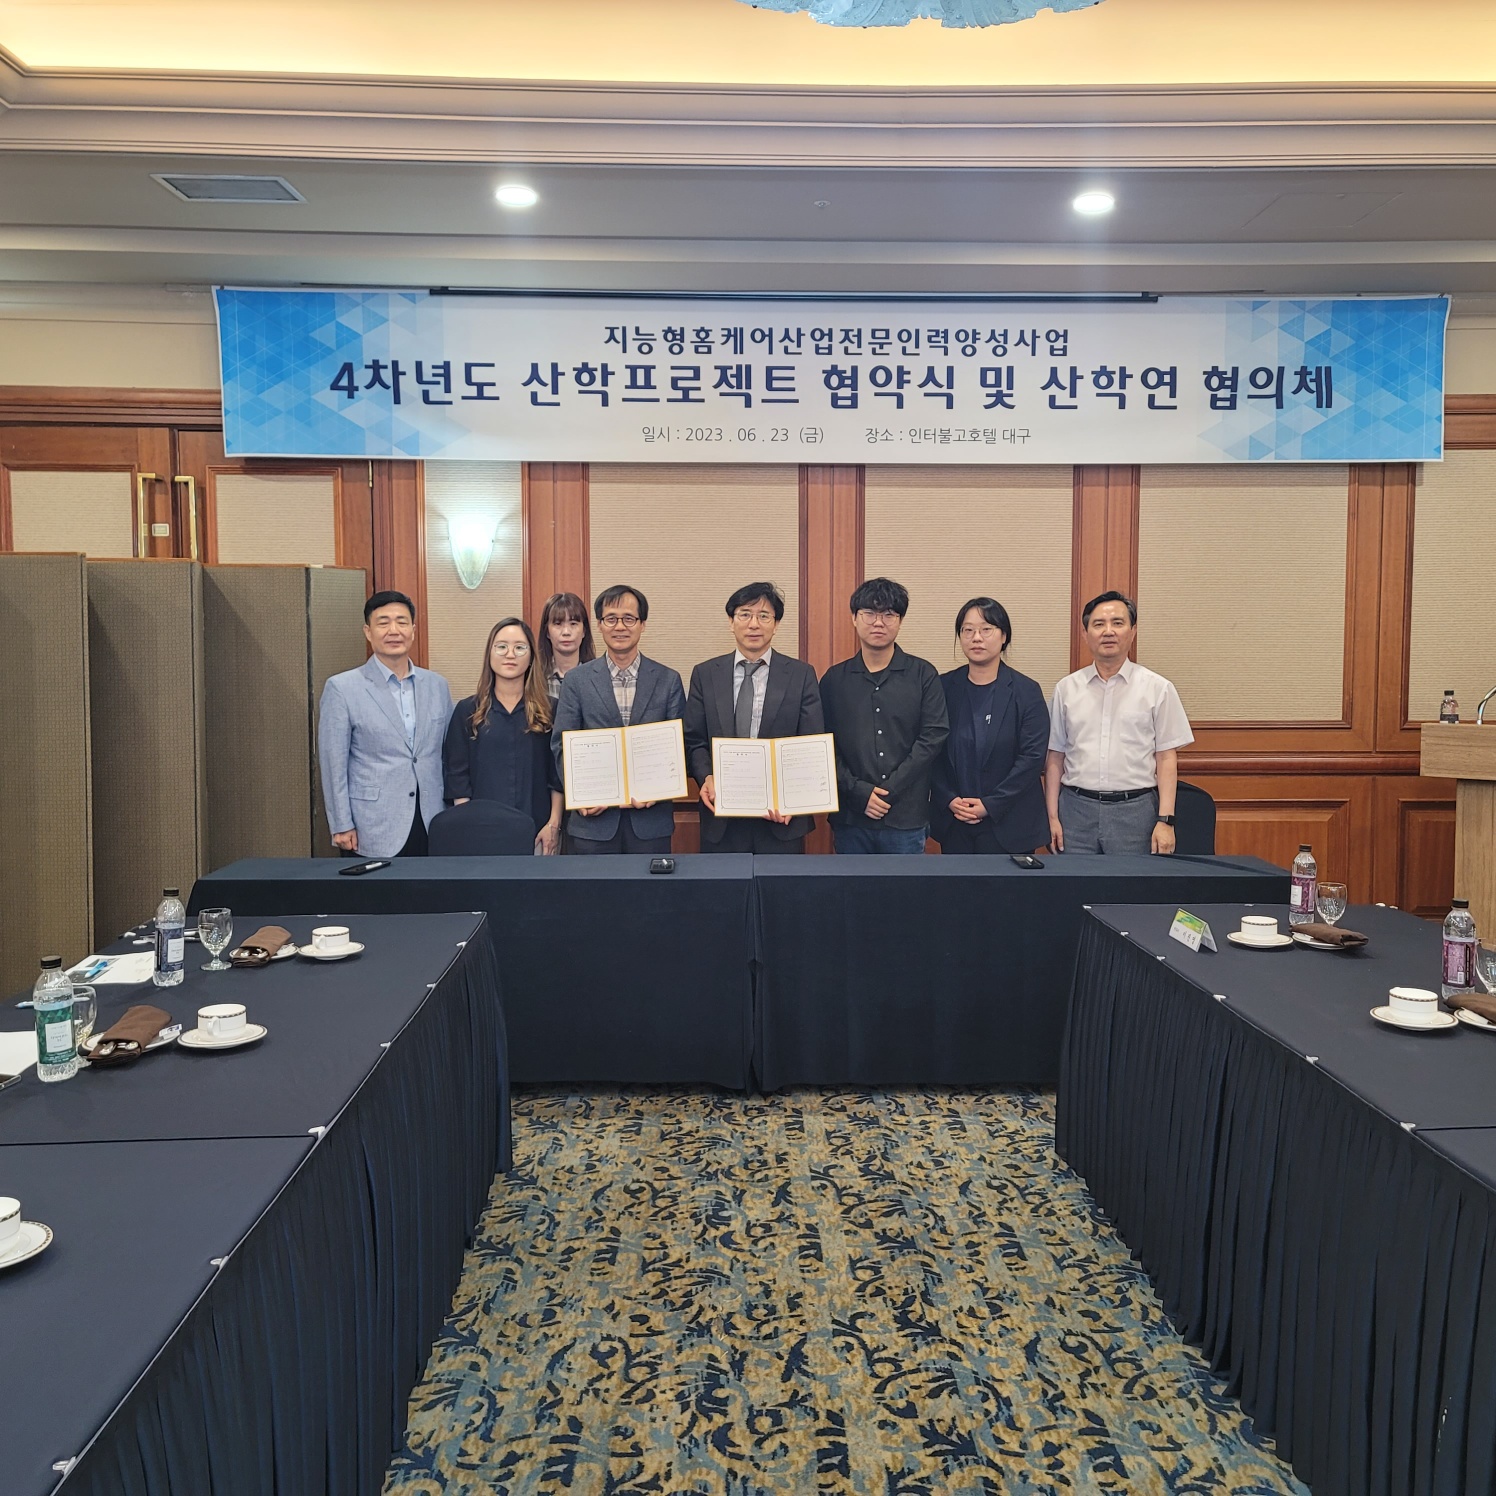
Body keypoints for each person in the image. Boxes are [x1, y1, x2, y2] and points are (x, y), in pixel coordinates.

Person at [1044, 590, 1194, 856]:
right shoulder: (1066, 689)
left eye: (1117, 623)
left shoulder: (1158, 688)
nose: (1108, 631)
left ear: (1132, 631)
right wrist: (1052, 817)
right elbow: (1055, 756)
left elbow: (1166, 758)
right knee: (1073, 881)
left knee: (1132, 882)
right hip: (1075, 811)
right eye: (1098, 624)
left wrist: (1165, 820)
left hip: (1135, 811)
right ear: (1085, 634)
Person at [684, 582, 825, 855]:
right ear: (731, 622)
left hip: (780, 818)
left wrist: (793, 798)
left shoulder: (801, 675)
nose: (754, 624)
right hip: (722, 815)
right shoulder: (706, 674)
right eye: (745, 614)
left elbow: (811, 744)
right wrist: (706, 776)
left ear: (776, 624)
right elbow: (694, 739)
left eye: (764, 616)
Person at [551, 584, 686, 855]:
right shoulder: (577, 681)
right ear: (599, 625)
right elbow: (561, 745)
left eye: (629, 619)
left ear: (642, 624)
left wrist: (658, 790)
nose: (620, 626)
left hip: (650, 824)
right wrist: (581, 793)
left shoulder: (668, 680)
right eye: (611, 619)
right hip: (593, 824)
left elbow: (680, 746)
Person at [318, 589, 453, 858]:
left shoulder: (437, 685)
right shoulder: (342, 688)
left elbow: (448, 753)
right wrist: (341, 824)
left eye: (402, 622)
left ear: (413, 630)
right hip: (371, 824)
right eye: (383, 622)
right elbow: (333, 763)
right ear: (368, 632)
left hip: (432, 818)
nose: (394, 630)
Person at [819, 577, 948, 855]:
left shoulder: (923, 675)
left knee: (904, 885)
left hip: (906, 817)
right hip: (852, 816)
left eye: (889, 614)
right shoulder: (834, 680)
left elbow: (932, 738)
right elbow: (823, 746)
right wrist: (859, 791)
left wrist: (889, 790)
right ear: (854, 618)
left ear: (900, 621)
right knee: (852, 884)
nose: (879, 623)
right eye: (869, 613)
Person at [929, 597, 1050, 855]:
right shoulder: (942, 688)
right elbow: (930, 749)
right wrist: (948, 798)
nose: (976, 638)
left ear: (1004, 636)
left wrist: (991, 804)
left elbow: (1032, 758)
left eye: (986, 629)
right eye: (968, 630)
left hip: (1010, 824)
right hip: (955, 822)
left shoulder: (1026, 691)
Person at [444, 617, 563, 854]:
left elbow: (557, 775)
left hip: (537, 833)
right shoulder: (468, 711)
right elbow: (457, 776)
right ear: (489, 654)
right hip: (480, 832)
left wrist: (553, 825)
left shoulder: (550, 710)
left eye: (520, 647)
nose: (510, 654)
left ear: (531, 657)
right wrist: (466, 825)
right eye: (501, 647)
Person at [537, 591, 596, 703]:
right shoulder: (535, 678)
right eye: (558, 624)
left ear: (584, 631)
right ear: (547, 632)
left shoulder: (598, 677)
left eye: (573, 623)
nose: (566, 632)